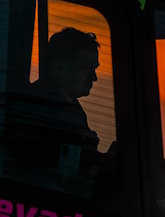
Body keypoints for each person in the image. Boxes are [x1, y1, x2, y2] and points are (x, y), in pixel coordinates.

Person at [10, 27, 108, 182]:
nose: (94, 77)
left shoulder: (72, 109)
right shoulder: (36, 110)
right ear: (58, 65)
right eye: (87, 67)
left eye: (94, 69)